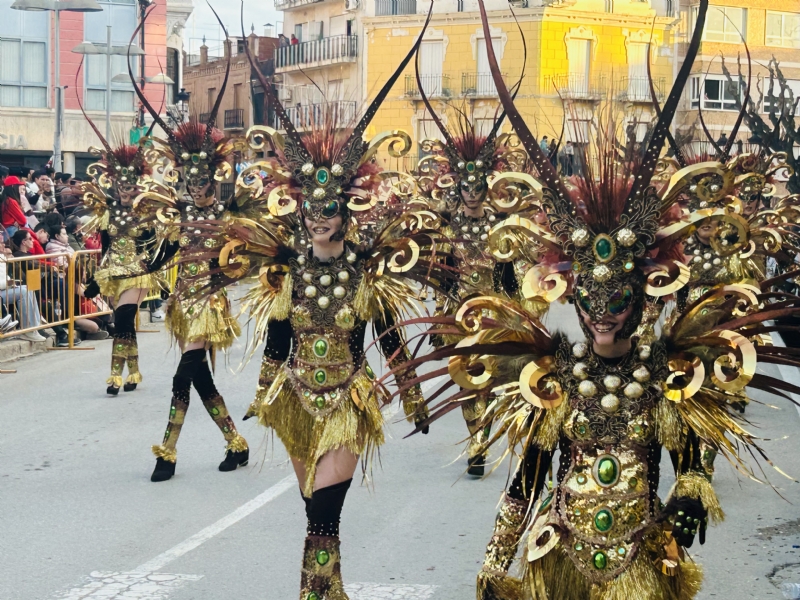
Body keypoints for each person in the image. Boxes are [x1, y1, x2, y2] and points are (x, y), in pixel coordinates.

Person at [397, 3, 800, 598]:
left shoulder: (666, 375)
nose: (604, 310)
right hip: (562, 561)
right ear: (573, 293)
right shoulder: (553, 377)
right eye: (591, 295)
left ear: (642, 295)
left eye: (618, 296)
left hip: (642, 564)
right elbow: (527, 484)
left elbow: (691, 463)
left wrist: (688, 499)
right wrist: (493, 564)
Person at [229, 24, 440, 598]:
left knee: (324, 512)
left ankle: (311, 595)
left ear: (346, 211)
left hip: (349, 399)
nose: (318, 218)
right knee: (314, 513)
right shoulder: (287, 273)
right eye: (311, 209)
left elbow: (390, 336)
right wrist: (264, 393)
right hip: (296, 401)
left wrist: (412, 395)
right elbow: (277, 338)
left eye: (329, 209)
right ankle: (333, 589)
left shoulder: (367, 273)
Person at [129, 26, 250, 482]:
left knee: (183, 376)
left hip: (209, 308)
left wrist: (225, 272)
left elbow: (242, 261)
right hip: (183, 305)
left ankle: (168, 453)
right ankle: (235, 442)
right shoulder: (178, 215)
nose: (196, 187)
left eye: (202, 181)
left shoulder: (227, 216)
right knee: (200, 379)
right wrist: (144, 261)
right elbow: (163, 256)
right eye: (190, 181)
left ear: (213, 177)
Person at [0, 237, 46, 342]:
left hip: (4, 289)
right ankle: (29, 329)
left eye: (3, 242)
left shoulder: (2, 257)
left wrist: (10, 282)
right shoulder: (6, 257)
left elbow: (4, 276)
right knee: (24, 291)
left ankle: (34, 328)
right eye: (1, 243)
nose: (4, 245)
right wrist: (6, 283)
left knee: (27, 288)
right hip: (2, 291)